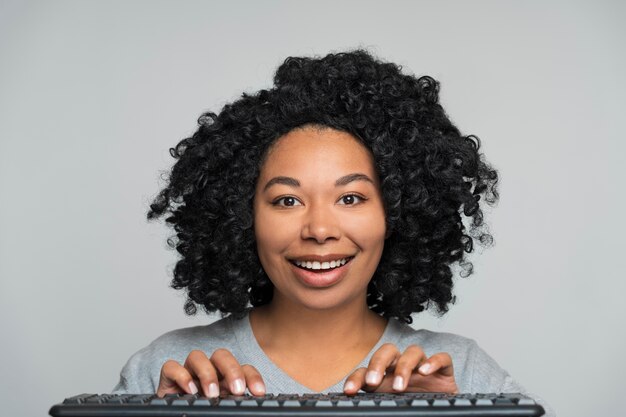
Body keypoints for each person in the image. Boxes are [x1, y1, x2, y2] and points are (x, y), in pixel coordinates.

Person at [113, 49, 553, 415]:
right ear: (242, 216)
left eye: (351, 198)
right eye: (287, 200)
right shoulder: (167, 372)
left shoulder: (464, 374)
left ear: (397, 215)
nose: (319, 229)